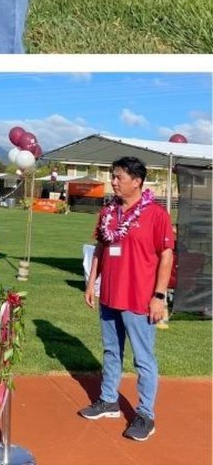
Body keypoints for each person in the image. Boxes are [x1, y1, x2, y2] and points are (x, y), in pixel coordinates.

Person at [80, 156, 175, 442]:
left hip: (139, 299)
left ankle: (145, 414)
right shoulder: (108, 212)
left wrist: (159, 296)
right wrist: (91, 282)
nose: (114, 181)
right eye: (113, 176)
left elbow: (166, 256)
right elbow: (100, 248)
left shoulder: (156, 215)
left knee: (143, 359)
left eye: (119, 177)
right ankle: (108, 400)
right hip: (110, 295)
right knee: (111, 351)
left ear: (137, 181)